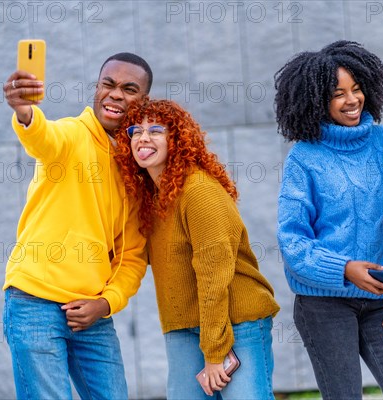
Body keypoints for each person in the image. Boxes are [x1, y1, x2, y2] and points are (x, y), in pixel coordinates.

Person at [274, 40, 383, 399]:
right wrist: (344, 269)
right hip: (324, 305)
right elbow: (293, 242)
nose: (352, 100)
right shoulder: (303, 159)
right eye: (338, 93)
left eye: (357, 89)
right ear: (315, 100)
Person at [2, 52, 152, 399]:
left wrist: (106, 303)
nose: (115, 94)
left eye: (129, 89)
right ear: (97, 89)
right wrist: (25, 112)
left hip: (92, 315)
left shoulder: (136, 169)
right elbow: (43, 137)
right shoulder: (71, 134)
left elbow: (132, 256)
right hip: (33, 303)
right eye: (108, 84)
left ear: (144, 102)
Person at [113, 98, 280, 400]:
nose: (143, 138)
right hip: (183, 325)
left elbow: (214, 274)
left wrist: (215, 351)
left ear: (177, 138)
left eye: (156, 130)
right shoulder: (152, 200)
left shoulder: (198, 191)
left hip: (235, 321)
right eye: (136, 131)